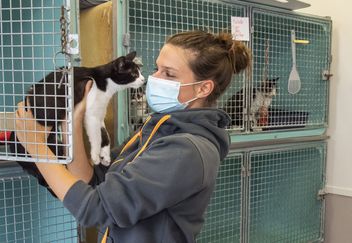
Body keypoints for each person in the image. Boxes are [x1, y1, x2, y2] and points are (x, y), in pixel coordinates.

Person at [15, 30, 251, 243]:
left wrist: (36, 146)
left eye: (168, 74)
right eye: (157, 68)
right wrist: (75, 121)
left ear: (203, 88)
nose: (155, 78)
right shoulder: (156, 129)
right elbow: (93, 181)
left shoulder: (187, 150)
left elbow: (96, 209)